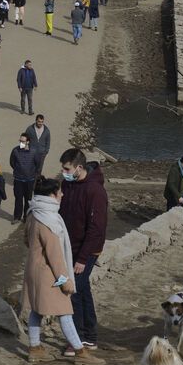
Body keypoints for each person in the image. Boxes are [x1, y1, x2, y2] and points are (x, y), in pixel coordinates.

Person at [23, 177, 106, 365]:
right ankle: (80, 352)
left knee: (37, 310)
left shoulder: (34, 212)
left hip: (34, 270)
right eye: (59, 192)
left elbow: (27, 240)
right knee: (65, 311)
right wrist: (66, 281)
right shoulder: (48, 219)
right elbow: (55, 257)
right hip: (50, 276)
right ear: (51, 195)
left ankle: (35, 349)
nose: (62, 194)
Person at [59, 148, 108, 353]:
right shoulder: (68, 184)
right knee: (83, 289)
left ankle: (77, 338)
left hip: (86, 251)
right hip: (69, 247)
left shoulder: (95, 191)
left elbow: (97, 229)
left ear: (79, 167)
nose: (64, 171)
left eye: (67, 168)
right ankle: (90, 336)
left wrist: (82, 258)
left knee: (75, 291)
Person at [10, 133, 40, 222]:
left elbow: (37, 164)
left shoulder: (34, 151)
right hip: (18, 179)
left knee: (28, 199)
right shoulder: (15, 150)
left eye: (23, 141)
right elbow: (12, 162)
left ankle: (26, 217)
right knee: (18, 199)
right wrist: (18, 169)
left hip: (29, 180)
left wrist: (31, 172)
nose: (21, 143)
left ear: (28, 142)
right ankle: (17, 217)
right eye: (20, 141)